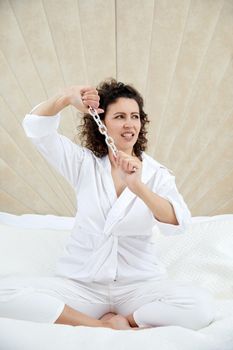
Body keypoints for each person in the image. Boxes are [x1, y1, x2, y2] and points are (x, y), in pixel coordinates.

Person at [0, 79, 215, 330]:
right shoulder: (83, 164)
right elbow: (37, 129)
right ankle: (99, 325)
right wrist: (66, 98)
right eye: (120, 116)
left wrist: (139, 187)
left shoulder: (156, 174)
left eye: (135, 116)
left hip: (137, 288)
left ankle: (129, 321)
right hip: (82, 287)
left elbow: (178, 223)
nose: (129, 124)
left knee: (200, 305)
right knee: (4, 291)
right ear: (102, 122)